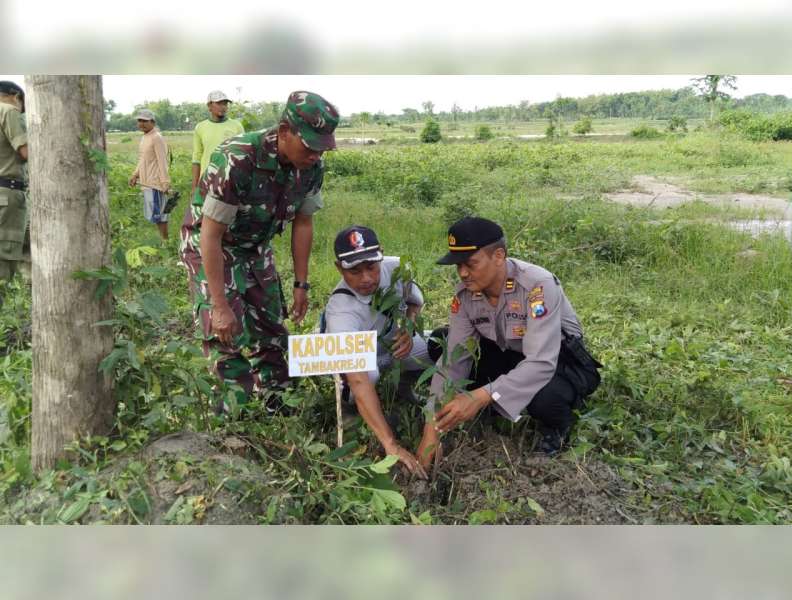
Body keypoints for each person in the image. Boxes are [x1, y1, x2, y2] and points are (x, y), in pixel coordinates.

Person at [180, 91, 339, 409]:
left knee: (270, 325)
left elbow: (303, 223)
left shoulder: (310, 168)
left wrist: (301, 284)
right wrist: (221, 306)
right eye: (310, 146)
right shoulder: (239, 157)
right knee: (226, 331)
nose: (316, 156)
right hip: (212, 244)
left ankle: (276, 402)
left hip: (255, 245)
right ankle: (235, 413)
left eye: (323, 149)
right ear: (284, 132)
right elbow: (210, 236)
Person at [416, 216, 602, 469]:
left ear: (499, 256)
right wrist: (431, 429)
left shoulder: (537, 286)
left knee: (544, 397)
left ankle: (558, 425)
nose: (462, 273)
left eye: (470, 263)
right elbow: (455, 359)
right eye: (458, 265)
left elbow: (540, 363)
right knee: (441, 341)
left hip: (558, 360)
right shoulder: (466, 295)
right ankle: (499, 400)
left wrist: (481, 396)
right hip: (511, 355)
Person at [323, 225, 433, 478]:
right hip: (361, 362)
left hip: (389, 347)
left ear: (381, 256)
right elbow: (358, 377)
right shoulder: (340, 311)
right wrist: (391, 444)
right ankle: (353, 411)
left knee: (437, 348)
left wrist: (407, 325)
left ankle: (403, 387)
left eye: (371, 267)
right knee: (366, 377)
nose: (366, 279)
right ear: (339, 268)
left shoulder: (397, 269)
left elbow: (414, 303)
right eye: (354, 271)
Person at [0, 80, 28, 293]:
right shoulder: (8, 110)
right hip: (6, 193)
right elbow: (25, 152)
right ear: (15, 96)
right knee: (4, 257)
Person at [128, 108, 171, 242]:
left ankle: (166, 242)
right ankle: (162, 240)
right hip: (146, 183)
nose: (141, 123)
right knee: (154, 214)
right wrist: (135, 174)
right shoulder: (144, 137)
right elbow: (142, 159)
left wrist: (165, 182)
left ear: (152, 122)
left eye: (145, 121)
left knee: (160, 215)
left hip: (156, 183)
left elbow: (162, 160)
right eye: (139, 120)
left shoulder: (156, 137)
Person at [191, 90, 244, 197]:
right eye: (219, 103)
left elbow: (243, 154)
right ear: (209, 106)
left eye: (225, 104)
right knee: (205, 213)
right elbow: (197, 158)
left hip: (230, 180)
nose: (223, 107)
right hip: (206, 180)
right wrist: (194, 186)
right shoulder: (200, 127)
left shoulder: (236, 126)